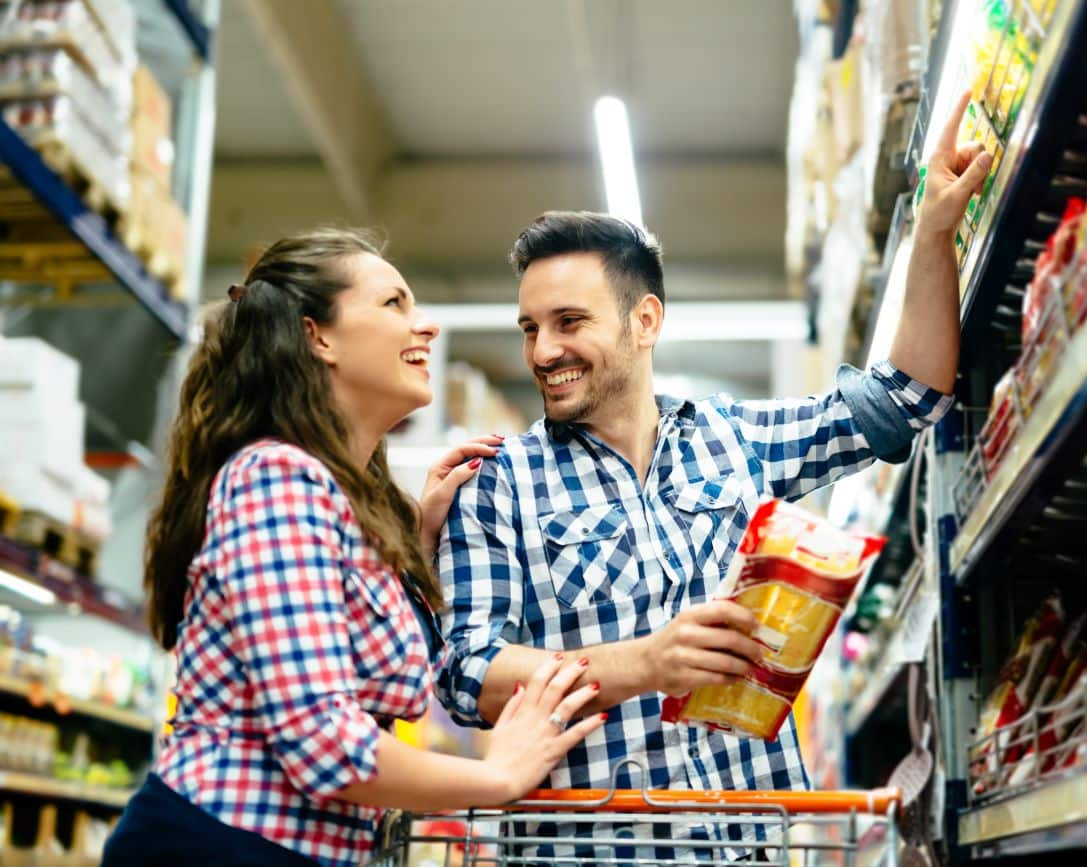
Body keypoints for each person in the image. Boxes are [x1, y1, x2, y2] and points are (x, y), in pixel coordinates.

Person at [435, 94, 991, 859]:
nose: (541, 351)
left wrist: (932, 231)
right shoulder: (500, 483)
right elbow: (466, 671)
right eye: (530, 328)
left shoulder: (731, 440)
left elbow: (906, 397)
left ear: (646, 320)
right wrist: (646, 662)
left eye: (569, 321)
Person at [102, 229, 606, 867]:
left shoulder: (336, 500)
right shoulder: (276, 481)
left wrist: (412, 535)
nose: (424, 326)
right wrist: (497, 778)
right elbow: (323, 742)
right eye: (394, 304)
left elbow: (354, 645)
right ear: (319, 336)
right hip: (221, 845)